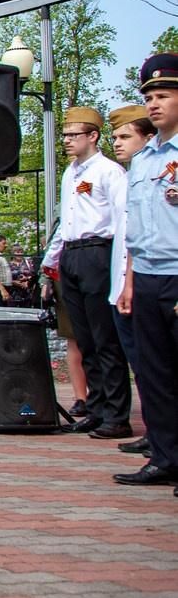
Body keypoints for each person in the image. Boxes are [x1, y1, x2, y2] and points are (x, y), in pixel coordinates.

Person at [41, 106, 132, 439]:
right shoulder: (70, 174)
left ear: (93, 136)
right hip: (72, 255)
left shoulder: (110, 172)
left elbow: (123, 219)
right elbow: (66, 223)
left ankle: (116, 413)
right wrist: (51, 262)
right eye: (64, 135)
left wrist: (121, 268)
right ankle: (95, 407)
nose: (66, 141)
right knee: (85, 339)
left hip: (98, 252)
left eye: (73, 135)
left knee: (105, 337)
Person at [113, 54, 178, 488]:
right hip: (148, 275)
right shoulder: (144, 160)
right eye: (149, 97)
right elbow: (137, 227)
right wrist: (129, 281)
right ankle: (165, 456)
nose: (154, 104)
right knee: (154, 375)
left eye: (163, 95)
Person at [109, 104, 156, 455]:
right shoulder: (132, 174)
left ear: (148, 137)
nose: (117, 143)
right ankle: (159, 436)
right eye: (115, 137)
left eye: (125, 136)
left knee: (156, 366)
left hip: (154, 277)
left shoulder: (155, 170)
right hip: (126, 279)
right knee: (142, 365)